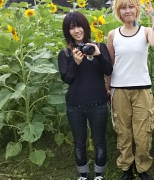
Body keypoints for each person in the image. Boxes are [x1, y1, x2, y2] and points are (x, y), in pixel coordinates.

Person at [106, 0, 154, 180]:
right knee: (123, 131)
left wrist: (153, 18)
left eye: (131, 6)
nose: (127, 11)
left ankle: (142, 168)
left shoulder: (145, 31)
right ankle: (126, 167)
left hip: (142, 89)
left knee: (143, 132)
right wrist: (107, 86)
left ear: (137, 9)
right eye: (123, 7)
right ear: (118, 11)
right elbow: (110, 64)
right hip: (119, 89)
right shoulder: (113, 35)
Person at [58, 11, 113, 180]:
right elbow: (67, 79)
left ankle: (98, 175)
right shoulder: (65, 54)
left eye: (79, 26)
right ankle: (83, 175)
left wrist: (97, 55)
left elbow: (108, 70)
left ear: (86, 27)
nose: (76, 30)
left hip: (98, 103)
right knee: (79, 143)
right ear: (68, 31)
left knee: (99, 142)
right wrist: (76, 62)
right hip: (75, 105)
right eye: (72, 28)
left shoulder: (99, 47)